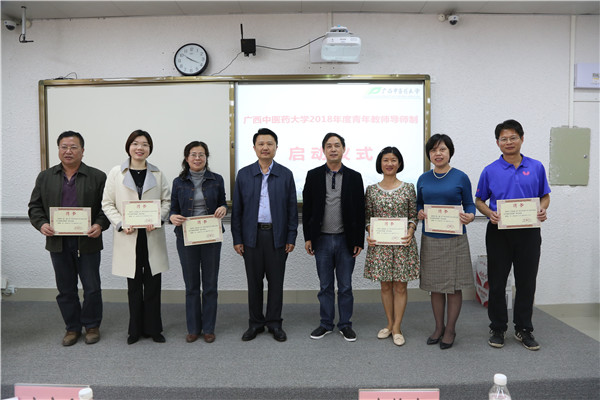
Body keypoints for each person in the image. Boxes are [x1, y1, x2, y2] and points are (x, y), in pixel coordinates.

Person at [28, 131, 110, 346]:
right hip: (58, 242)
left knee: (92, 287)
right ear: (58, 150)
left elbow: (107, 208)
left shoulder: (98, 176)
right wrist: (41, 224)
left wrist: (99, 225)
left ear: (82, 151)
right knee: (66, 288)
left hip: (88, 241)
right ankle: (72, 327)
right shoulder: (45, 177)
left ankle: (92, 325)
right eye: (64, 147)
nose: (68, 151)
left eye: (74, 147)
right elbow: (35, 207)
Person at [475, 119, 551, 351]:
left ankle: (524, 328)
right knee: (497, 282)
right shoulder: (490, 170)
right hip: (499, 233)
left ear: (522, 138)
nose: (508, 142)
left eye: (513, 137)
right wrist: (489, 213)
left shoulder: (536, 167)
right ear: (497, 142)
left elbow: (545, 195)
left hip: (528, 232)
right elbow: (479, 200)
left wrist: (542, 209)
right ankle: (498, 327)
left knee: (526, 282)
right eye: (504, 139)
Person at [102, 130, 171, 345]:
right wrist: (121, 223)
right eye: (135, 143)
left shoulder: (158, 173)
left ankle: (154, 329)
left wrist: (158, 219)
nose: (140, 148)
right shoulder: (116, 172)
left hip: (151, 236)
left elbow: (167, 201)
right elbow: (107, 203)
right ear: (128, 147)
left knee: (153, 285)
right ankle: (134, 330)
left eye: (145, 144)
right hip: (129, 236)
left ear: (150, 149)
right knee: (133, 287)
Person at [231, 128, 298, 342]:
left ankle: (275, 323)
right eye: (261, 144)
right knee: (254, 283)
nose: (265, 147)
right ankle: (255, 323)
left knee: (276, 283)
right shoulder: (244, 174)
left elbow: (292, 210)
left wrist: (291, 237)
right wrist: (238, 239)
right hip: (252, 237)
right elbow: (237, 211)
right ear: (254, 148)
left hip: (277, 237)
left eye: (270, 143)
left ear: (276, 147)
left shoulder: (285, 174)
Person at [303, 132, 365, 342]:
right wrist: (308, 238)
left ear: (343, 149)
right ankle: (326, 323)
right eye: (329, 146)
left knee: (345, 286)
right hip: (321, 240)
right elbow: (308, 209)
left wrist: (358, 241)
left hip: (345, 240)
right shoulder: (313, 175)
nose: (333, 149)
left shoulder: (354, 177)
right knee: (325, 286)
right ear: (323, 150)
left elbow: (360, 211)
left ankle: (345, 324)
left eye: (337, 145)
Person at [416, 134, 476, 350]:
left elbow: (470, 204)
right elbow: (418, 204)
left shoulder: (460, 177)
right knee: (435, 287)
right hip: (431, 238)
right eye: (433, 150)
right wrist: (420, 213)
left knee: (454, 287)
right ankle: (438, 327)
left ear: (450, 152)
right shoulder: (423, 178)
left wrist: (470, 215)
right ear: (429, 154)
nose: (438, 153)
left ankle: (450, 329)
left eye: (442, 149)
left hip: (455, 239)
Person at [169, 141, 227, 344]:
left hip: (211, 237)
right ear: (186, 158)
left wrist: (223, 208)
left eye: (201, 154)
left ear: (206, 158)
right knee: (192, 285)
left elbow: (223, 202)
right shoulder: (178, 182)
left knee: (210, 285)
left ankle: (209, 328)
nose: (197, 158)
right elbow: (173, 209)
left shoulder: (217, 180)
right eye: (193, 154)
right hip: (186, 237)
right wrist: (172, 217)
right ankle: (193, 328)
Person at [364, 146, 419, 346]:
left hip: (403, 244)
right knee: (385, 285)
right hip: (381, 246)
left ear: (399, 163)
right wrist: (370, 232)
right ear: (380, 163)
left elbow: (413, 216)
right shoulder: (371, 190)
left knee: (401, 286)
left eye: (393, 160)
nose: (389, 163)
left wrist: (411, 230)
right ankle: (389, 323)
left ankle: (397, 327)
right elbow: (367, 218)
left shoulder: (408, 188)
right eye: (386, 160)